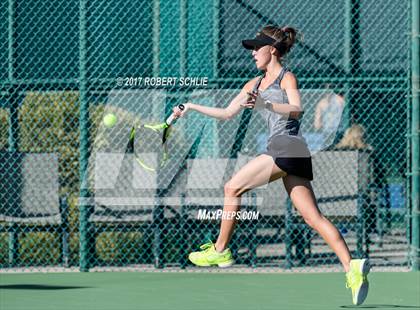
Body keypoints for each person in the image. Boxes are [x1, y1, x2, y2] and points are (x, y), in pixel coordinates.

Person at [173, 25, 370, 305]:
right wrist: (190, 107)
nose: (253, 53)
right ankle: (352, 268)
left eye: (257, 47)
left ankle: (220, 249)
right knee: (313, 218)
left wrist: (266, 105)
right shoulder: (253, 85)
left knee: (232, 187)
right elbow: (227, 113)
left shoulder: (286, 77)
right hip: (292, 152)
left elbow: (297, 108)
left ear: (272, 50)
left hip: (286, 147)